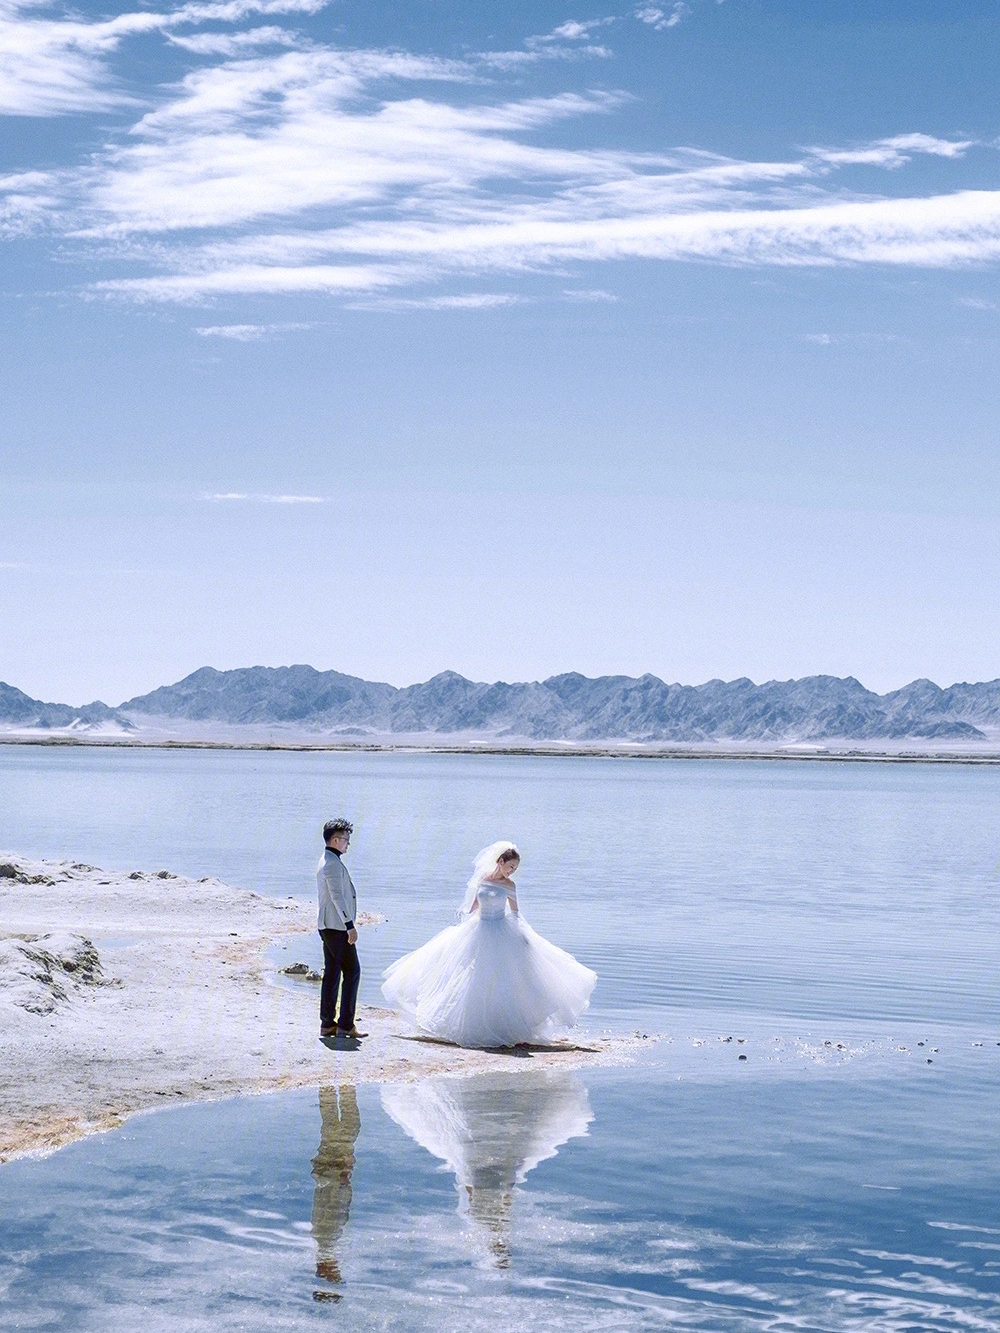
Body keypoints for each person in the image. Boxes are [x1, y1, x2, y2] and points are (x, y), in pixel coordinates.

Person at [381, 841, 596, 1049]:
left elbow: (516, 913)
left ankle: (503, 1026)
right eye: (510, 866)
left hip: (500, 930)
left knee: (500, 980)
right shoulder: (483, 879)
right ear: (500, 861)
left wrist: (524, 936)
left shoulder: (510, 886)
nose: (512, 871)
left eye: (515, 868)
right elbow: (474, 905)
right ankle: (471, 1024)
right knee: (470, 977)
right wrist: (463, 918)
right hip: (478, 929)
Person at [316, 818, 367, 1039]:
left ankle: (328, 1024)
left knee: (333, 973)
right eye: (346, 839)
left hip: (329, 925)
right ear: (335, 840)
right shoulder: (331, 864)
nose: (348, 844)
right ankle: (345, 1025)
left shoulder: (329, 859)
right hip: (336, 927)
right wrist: (350, 926)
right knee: (352, 972)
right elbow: (337, 897)